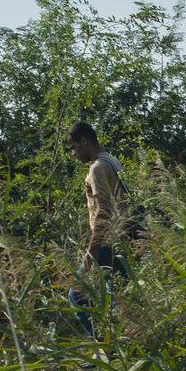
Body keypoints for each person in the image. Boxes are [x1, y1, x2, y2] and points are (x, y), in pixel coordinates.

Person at [65, 121, 129, 337]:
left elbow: (104, 210)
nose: (73, 153)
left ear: (85, 141)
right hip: (121, 240)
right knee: (118, 299)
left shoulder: (97, 168)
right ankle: (122, 342)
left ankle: (104, 347)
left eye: (73, 147)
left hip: (105, 244)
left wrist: (91, 251)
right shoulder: (112, 160)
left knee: (77, 293)